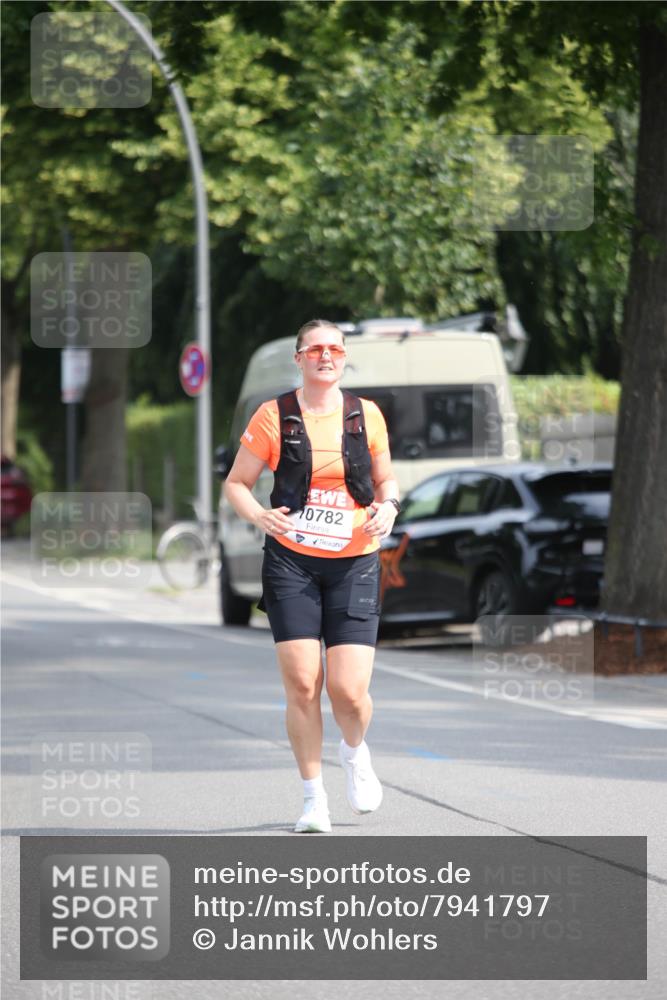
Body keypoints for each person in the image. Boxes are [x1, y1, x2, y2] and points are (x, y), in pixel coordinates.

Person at [224, 319, 400, 833]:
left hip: (356, 560)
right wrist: (259, 516)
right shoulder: (273, 415)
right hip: (291, 562)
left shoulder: (366, 415)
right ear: (299, 358)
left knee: (348, 692)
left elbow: (386, 479)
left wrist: (390, 507)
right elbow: (236, 483)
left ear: (344, 358)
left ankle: (354, 751)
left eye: (335, 350)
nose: (326, 356)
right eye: (316, 349)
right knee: (303, 684)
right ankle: (313, 800)